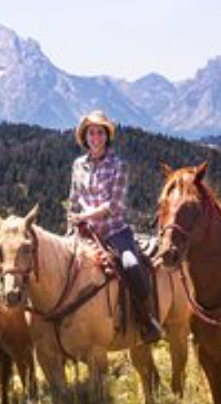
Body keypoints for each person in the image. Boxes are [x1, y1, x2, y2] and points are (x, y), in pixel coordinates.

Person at [67, 110, 164, 342]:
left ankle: (146, 318)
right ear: (85, 137)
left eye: (100, 132)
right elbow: (73, 199)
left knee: (131, 264)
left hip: (114, 232)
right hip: (83, 233)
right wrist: (71, 225)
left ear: (106, 136)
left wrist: (87, 214)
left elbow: (115, 205)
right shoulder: (78, 165)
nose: (95, 137)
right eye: (91, 133)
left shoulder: (118, 165)